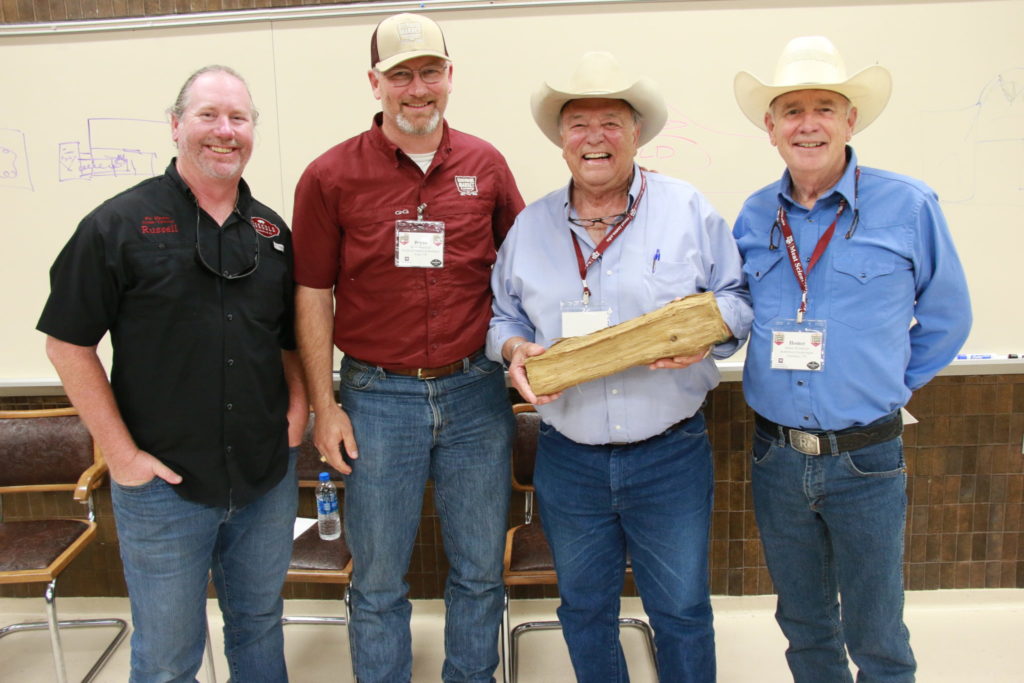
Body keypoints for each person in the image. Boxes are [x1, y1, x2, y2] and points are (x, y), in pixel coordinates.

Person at [488, 51, 752, 682]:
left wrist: (710, 337)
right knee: (584, 610)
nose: (595, 138)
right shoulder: (529, 227)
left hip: (670, 455)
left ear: (637, 133)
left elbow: (738, 299)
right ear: (561, 141)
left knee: (682, 611)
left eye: (611, 122)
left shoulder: (687, 210)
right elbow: (502, 317)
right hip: (568, 459)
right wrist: (512, 350)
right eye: (578, 124)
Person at [38, 65, 307, 682]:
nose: (224, 131)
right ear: (176, 125)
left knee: (260, 624)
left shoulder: (271, 233)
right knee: (166, 656)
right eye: (208, 115)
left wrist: (298, 414)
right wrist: (122, 456)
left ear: (252, 131)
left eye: (238, 118)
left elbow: (290, 339)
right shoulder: (117, 225)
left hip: (265, 478)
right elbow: (66, 345)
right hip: (163, 487)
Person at [290, 12, 525, 683]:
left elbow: (525, 268)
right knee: (378, 579)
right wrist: (325, 405)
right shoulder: (329, 177)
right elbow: (312, 294)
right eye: (400, 75)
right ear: (375, 84)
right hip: (376, 398)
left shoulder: (487, 165)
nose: (416, 88)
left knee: (480, 571)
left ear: (450, 77)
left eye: (428, 72)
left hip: (476, 391)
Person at [732, 36, 972, 682]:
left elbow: (950, 319)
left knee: (878, 634)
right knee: (805, 629)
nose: (807, 123)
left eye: (824, 107)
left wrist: (890, 381)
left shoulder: (909, 206)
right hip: (776, 459)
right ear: (771, 127)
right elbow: (733, 314)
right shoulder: (753, 217)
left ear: (850, 120)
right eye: (791, 110)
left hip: (866, 458)